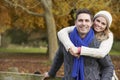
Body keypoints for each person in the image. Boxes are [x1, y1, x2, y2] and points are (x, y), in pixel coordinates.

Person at [43, 9, 114, 80]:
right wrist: (51, 73)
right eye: (80, 20)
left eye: (87, 20)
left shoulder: (98, 43)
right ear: (75, 22)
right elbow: (59, 58)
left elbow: (108, 66)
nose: (83, 23)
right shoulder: (66, 39)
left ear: (91, 23)